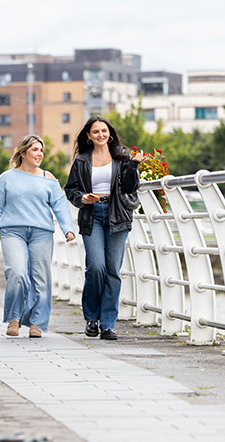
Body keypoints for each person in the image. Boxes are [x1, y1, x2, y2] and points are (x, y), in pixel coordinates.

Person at [63, 116, 146, 341]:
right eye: (96, 131)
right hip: (92, 215)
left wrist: (134, 165)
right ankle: (91, 318)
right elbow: (70, 190)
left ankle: (108, 324)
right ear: (89, 136)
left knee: (112, 270)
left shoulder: (122, 156)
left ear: (109, 133)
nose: (101, 135)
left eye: (104, 130)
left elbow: (130, 186)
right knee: (96, 267)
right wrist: (83, 199)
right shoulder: (81, 161)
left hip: (117, 215)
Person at [0, 135, 75, 338]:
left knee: (41, 279)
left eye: (41, 150)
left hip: (41, 233)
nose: (40, 154)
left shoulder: (48, 178)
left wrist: (67, 228)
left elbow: (60, 206)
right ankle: (14, 318)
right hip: (12, 231)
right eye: (35, 150)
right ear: (23, 152)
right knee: (16, 273)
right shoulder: (6, 178)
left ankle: (36, 322)